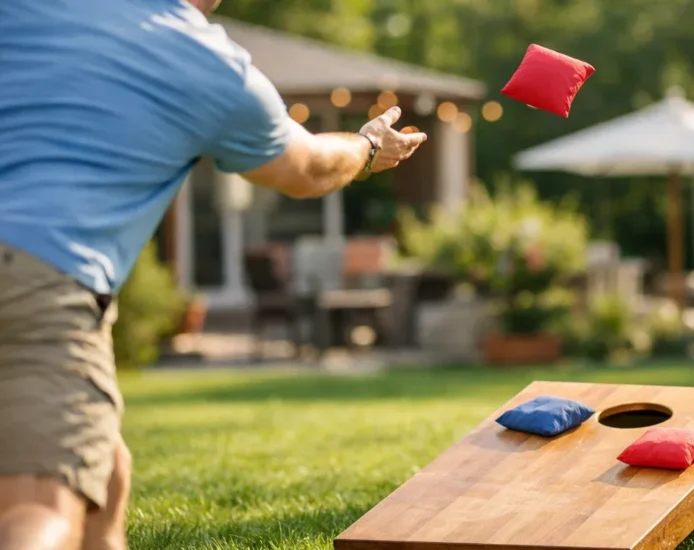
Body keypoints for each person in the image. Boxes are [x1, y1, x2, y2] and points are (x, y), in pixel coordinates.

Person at [0, 0, 428, 548]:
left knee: (105, 474)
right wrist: (369, 147)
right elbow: (309, 168)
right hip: (38, 270)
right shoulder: (203, 61)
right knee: (39, 507)